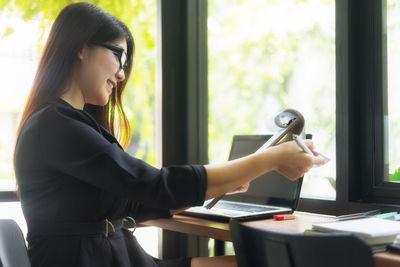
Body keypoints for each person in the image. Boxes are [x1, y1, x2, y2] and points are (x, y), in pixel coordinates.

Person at [13, 2, 325, 267]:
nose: (121, 74)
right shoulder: (55, 126)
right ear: (81, 48)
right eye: (118, 56)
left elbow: (134, 201)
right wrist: (268, 160)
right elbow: (153, 185)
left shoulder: (66, 123)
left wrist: (223, 183)